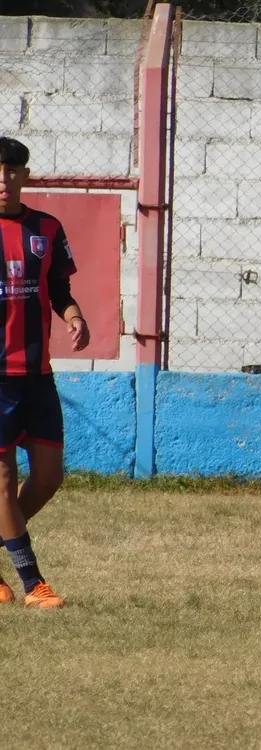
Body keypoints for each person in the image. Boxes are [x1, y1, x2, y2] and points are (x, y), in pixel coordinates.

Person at [0, 136, 90, 608]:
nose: (3, 179)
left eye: (12, 170)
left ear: (25, 176)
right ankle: (32, 583)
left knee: (49, 476)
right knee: (1, 478)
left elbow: (60, 290)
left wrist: (74, 317)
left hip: (37, 376)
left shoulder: (46, 228)